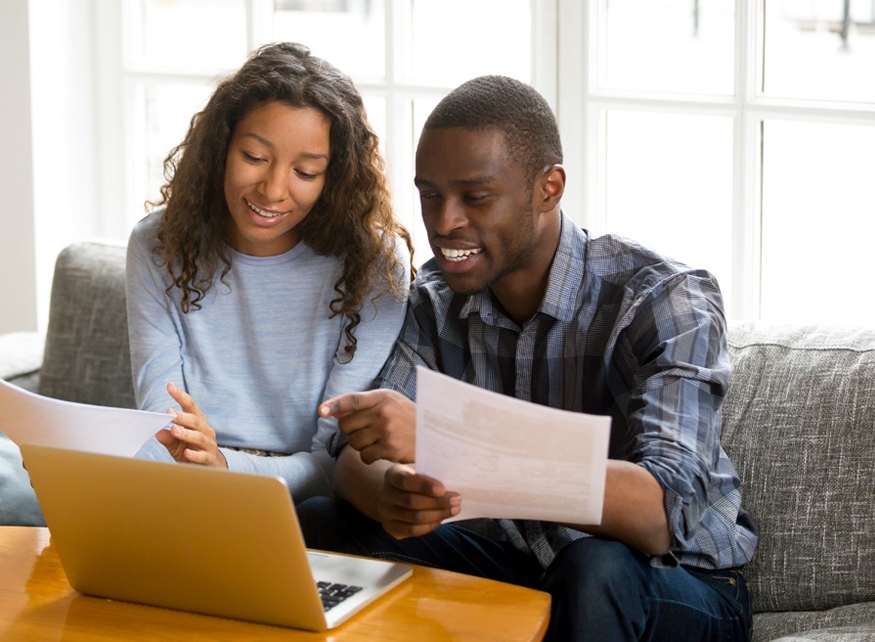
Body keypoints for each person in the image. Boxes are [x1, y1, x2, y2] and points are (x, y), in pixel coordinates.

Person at [297, 75, 759, 641]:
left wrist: (450, 440)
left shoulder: (663, 298)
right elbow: (354, 460)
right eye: (431, 194)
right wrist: (389, 490)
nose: (444, 223)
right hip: (521, 568)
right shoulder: (435, 301)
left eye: (476, 196)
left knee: (594, 568)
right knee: (324, 520)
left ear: (549, 188)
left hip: (672, 583)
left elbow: (661, 514)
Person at [126, 42, 414, 503]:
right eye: (255, 158)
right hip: (180, 484)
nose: (274, 189)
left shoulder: (375, 266)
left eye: (305, 171)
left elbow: (333, 463)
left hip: (299, 501)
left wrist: (223, 465)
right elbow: (161, 426)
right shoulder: (158, 244)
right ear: (221, 148)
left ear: (333, 177)